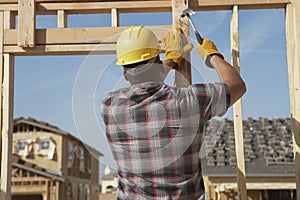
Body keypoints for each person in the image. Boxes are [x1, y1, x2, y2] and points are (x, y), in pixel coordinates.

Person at [100, 26, 246, 200]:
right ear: (157, 62)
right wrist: (212, 56)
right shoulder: (191, 100)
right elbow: (237, 85)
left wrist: (169, 62)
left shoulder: (110, 106)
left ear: (124, 73)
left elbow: (147, 80)